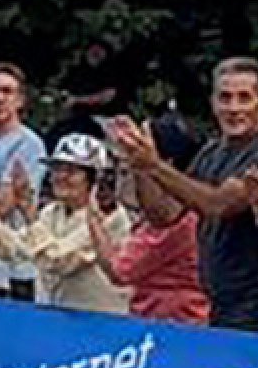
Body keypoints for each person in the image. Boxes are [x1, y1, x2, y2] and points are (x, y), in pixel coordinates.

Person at [108, 58, 258, 333]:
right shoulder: (211, 153)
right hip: (218, 302)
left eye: (244, 98)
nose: (233, 108)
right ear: (213, 102)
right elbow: (164, 215)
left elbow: (216, 205)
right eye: (225, 98)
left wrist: (153, 165)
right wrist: (138, 162)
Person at [0, 131, 127, 312]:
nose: (60, 177)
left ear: (95, 179)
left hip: (101, 322)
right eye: (56, 169)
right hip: (57, 317)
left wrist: (30, 214)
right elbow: (13, 250)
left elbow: (59, 261)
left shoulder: (109, 217)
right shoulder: (52, 213)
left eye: (71, 171)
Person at [83, 120, 209, 324]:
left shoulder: (175, 221)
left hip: (173, 327)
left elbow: (120, 271)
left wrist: (93, 221)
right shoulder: (190, 208)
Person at [0, 63, 46, 299]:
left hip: (16, 267)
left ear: (20, 100)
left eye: (7, 91)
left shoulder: (28, 145)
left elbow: (4, 205)